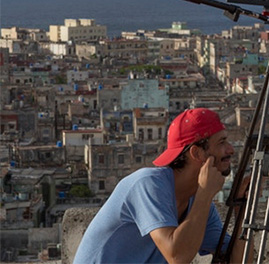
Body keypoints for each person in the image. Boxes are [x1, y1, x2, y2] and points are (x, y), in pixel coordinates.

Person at [73, 108, 252, 263]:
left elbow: (238, 261)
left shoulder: (198, 205)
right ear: (196, 153)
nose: (231, 150)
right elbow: (178, 256)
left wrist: (242, 210)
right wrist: (205, 194)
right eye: (222, 142)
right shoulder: (148, 185)